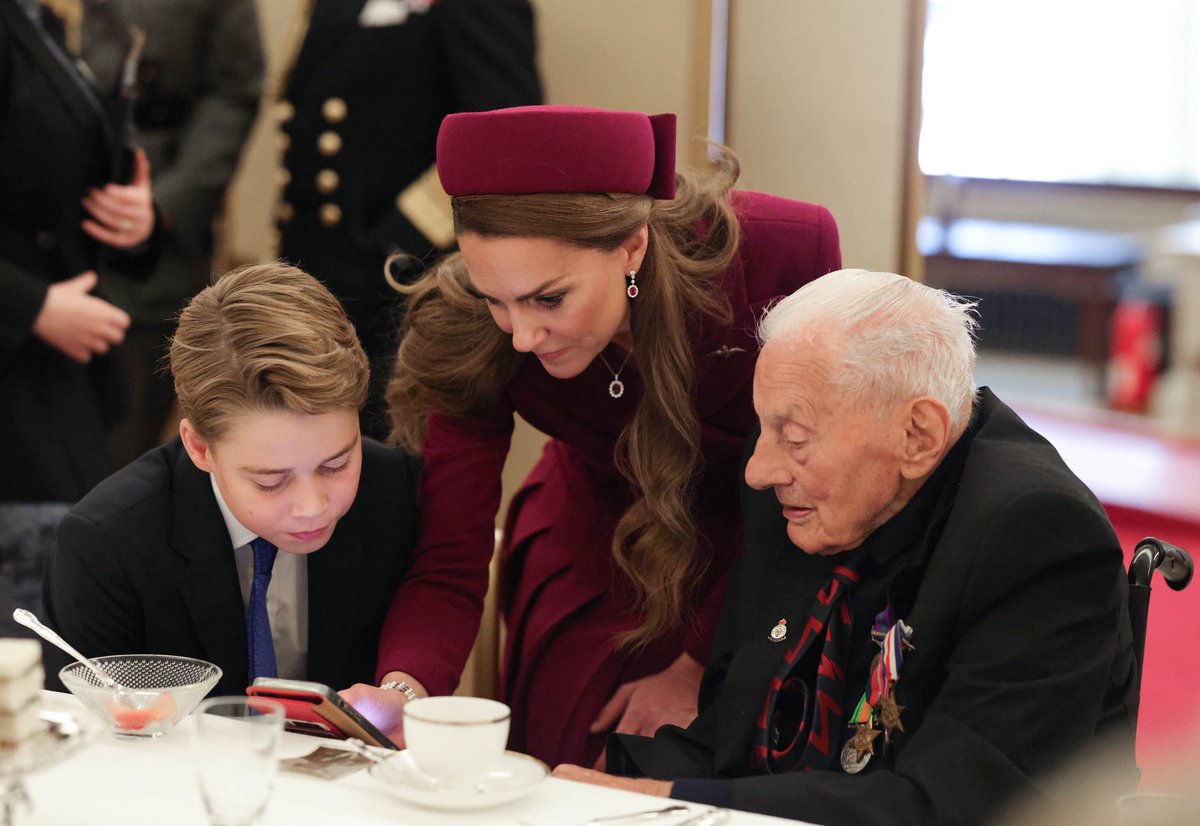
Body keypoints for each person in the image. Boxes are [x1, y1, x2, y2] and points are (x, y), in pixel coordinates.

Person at [340, 105, 842, 767]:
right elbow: (450, 557)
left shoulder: (785, 253)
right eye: (497, 298)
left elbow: (815, 480)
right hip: (596, 550)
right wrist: (404, 688)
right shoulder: (473, 333)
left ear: (630, 247)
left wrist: (696, 665)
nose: (521, 335)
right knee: (578, 763)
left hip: (772, 544)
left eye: (548, 299)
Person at [555, 269, 1139, 826]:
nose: (759, 471)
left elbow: (946, 809)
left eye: (796, 436)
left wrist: (665, 801)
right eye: (764, 428)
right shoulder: (802, 497)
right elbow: (729, 739)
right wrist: (563, 792)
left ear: (918, 436)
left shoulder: (1037, 538)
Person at [42, 263, 421, 701]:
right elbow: (84, 741)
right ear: (200, 448)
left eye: (336, 465)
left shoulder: (393, 489)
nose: (313, 506)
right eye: (271, 482)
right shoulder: (108, 544)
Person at [273, 0, 542, 439]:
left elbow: (503, 137)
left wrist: (396, 244)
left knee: (386, 459)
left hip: (404, 285)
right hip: (313, 272)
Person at [0, 0, 157, 635]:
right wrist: (32, 307)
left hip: (52, 381)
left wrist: (137, 220)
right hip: (17, 388)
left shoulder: (39, 18)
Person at [80, 0, 265, 466]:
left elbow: (234, 91)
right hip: (34, 252)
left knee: (117, 458)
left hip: (145, 248)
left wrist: (168, 204)